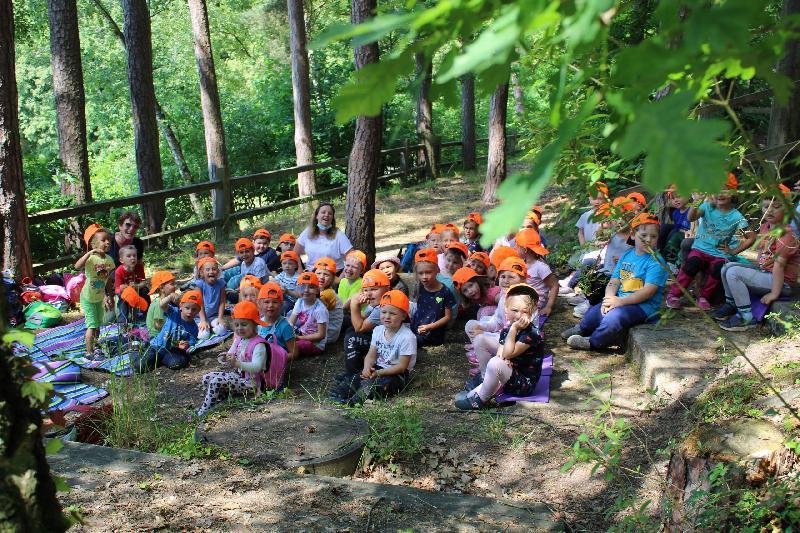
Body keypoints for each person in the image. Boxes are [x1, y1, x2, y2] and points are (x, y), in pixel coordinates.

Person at [561, 213, 669, 350]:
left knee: (614, 318)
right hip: (621, 301)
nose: (648, 239)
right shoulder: (627, 256)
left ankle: (593, 342)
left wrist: (620, 302)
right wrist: (609, 298)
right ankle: (582, 328)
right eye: (644, 235)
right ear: (634, 235)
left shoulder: (656, 262)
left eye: (653, 236)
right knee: (595, 311)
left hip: (644, 307)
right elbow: (614, 281)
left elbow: (648, 292)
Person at [714, 189, 800, 330]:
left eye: (776, 207)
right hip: (767, 274)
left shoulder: (786, 234)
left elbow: (779, 265)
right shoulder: (765, 227)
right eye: (767, 206)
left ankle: (746, 317)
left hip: (782, 283)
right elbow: (761, 254)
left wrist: (774, 293)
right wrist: (754, 270)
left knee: (734, 273)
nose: (770, 210)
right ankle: (731, 303)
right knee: (727, 267)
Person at [666, 174, 755, 310]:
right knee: (691, 264)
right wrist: (697, 202)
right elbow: (691, 218)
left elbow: (751, 237)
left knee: (718, 268)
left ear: (733, 192)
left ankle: (704, 297)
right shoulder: (707, 207)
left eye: (725, 190)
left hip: (719, 254)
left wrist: (733, 252)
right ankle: (674, 294)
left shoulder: (736, 216)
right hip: (700, 249)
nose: (720, 193)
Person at [455, 284, 544, 410]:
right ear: (506, 311)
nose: (519, 316)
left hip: (523, 384)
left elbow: (507, 354)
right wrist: (501, 360)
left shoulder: (531, 334)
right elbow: (501, 353)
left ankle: (481, 399)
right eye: (515, 310)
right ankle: (486, 382)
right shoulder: (507, 329)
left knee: (495, 363)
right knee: (488, 352)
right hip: (509, 376)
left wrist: (513, 329)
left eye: (525, 312)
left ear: (531, 314)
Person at [335, 290, 417, 405]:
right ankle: (341, 396)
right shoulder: (378, 330)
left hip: (396, 375)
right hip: (377, 368)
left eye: (393, 314)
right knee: (352, 382)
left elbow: (402, 367)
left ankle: (355, 402)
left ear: (403, 315)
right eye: (383, 312)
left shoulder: (407, 337)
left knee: (374, 386)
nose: (387, 317)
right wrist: (366, 368)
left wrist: (379, 373)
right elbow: (371, 354)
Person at [195, 301, 274, 416]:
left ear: (254, 324)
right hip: (237, 376)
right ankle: (220, 401)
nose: (239, 328)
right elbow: (231, 353)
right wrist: (226, 357)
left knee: (216, 382)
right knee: (206, 378)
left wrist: (237, 364)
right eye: (236, 325)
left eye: (244, 324)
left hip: (250, 383)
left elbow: (257, 367)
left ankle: (203, 412)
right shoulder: (239, 339)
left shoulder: (259, 345)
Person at [330, 269, 393, 400]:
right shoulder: (375, 303)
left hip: (389, 346)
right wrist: (357, 306)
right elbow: (362, 318)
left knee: (352, 338)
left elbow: (360, 327)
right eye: (365, 290)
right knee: (349, 331)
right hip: (380, 337)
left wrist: (354, 305)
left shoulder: (384, 307)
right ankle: (353, 372)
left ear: (387, 288)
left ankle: (352, 374)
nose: (369, 294)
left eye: (374, 289)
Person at [464, 256, 527, 386]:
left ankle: (487, 378)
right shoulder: (505, 297)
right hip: (502, 337)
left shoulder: (525, 300)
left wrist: (489, 335)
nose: (505, 280)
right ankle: (486, 366)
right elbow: (497, 321)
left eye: (511, 277)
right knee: (471, 325)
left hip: (515, 345)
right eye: (503, 276)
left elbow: (522, 334)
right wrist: (483, 328)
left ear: (522, 279)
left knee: (480, 339)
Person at [559, 182, 608, 295]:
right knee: (580, 263)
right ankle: (572, 281)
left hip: (600, 248)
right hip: (587, 247)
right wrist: (583, 246)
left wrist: (602, 243)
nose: (597, 201)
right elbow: (580, 232)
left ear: (606, 199)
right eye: (594, 198)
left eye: (600, 198)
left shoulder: (607, 216)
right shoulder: (585, 216)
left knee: (590, 265)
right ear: (589, 198)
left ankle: (576, 285)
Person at [134, 290, 201, 371]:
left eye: (194, 309)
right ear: (181, 306)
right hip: (157, 347)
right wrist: (170, 297)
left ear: (198, 311)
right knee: (139, 366)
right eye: (187, 308)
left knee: (177, 364)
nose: (190, 312)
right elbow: (162, 305)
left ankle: (162, 360)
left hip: (172, 351)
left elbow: (191, 342)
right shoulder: (174, 312)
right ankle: (143, 354)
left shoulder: (194, 327)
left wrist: (186, 345)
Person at [75, 224, 115, 358]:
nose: (107, 242)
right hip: (88, 298)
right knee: (92, 325)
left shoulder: (109, 260)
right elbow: (77, 266)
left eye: (108, 239)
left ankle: (96, 345)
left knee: (98, 324)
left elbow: (108, 280)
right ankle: (89, 352)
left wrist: (110, 296)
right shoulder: (91, 259)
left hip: (99, 297)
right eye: (103, 240)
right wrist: (89, 253)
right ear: (94, 245)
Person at [410, 248, 455, 346]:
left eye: (428, 272)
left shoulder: (445, 292)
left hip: (432, 333)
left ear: (437, 270)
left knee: (409, 342)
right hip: (416, 326)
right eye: (420, 273)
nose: (424, 276)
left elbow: (448, 317)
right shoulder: (419, 286)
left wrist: (430, 327)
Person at [295, 203, 354, 270]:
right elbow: (295, 253)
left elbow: (353, 258)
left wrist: (340, 278)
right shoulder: (307, 232)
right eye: (323, 212)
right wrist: (300, 272)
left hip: (333, 275)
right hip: (312, 275)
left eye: (330, 213)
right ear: (316, 216)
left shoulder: (339, 235)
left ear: (332, 218)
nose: (326, 215)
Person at [515, 228, 557, 319]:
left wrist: (548, 307)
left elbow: (554, 286)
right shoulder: (522, 263)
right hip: (525, 297)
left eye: (517, 246)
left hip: (535, 301)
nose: (515, 248)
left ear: (525, 250)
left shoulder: (541, 267)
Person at [287, 272, 329, 357]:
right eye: (302, 287)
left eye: (311, 287)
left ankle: (281, 356)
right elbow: (291, 322)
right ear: (298, 289)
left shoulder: (319, 309)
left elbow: (321, 335)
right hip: (302, 334)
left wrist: (299, 338)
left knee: (292, 345)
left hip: (315, 344)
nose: (306, 290)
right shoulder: (300, 301)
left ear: (317, 290)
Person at [257, 282, 297, 362]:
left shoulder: (285, 327)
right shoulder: (257, 323)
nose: (271, 305)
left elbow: (294, 353)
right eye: (267, 302)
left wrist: (276, 360)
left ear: (281, 305)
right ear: (259, 304)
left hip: (274, 364)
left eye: (275, 302)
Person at [194, 257, 229, 340]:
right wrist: (203, 320)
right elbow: (199, 304)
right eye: (207, 269)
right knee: (203, 336)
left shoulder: (221, 283)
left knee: (222, 331)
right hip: (200, 317)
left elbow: (222, 302)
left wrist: (220, 318)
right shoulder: (199, 284)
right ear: (202, 273)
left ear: (218, 272)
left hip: (214, 316)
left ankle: (211, 328)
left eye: (214, 269)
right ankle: (206, 328)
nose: (211, 272)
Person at [114, 244, 148, 323]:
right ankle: (123, 321)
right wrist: (121, 289)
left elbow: (144, 282)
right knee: (121, 299)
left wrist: (137, 286)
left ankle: (142, 317)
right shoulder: (119, 271)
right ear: (122, 260)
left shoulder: (139, 267)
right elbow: (116, 290)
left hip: (137, 291)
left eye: (134, 256)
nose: (132, 258)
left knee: (145, 291)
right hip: (125, 294)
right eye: (129, 256)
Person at [657, 190, 691, 268]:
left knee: (675, 237)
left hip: (688, 235)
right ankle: (664, 258)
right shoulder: (675, 213)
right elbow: (676, 227)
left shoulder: (691, 210)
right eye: (672, 198)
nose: (675, 200)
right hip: (678, 235)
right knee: (672, 235)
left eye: (679, 196)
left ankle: (672, 263)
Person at [314, 257, 344, 345]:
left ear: (332, 278)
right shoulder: (320, 291)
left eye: (326, 275)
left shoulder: (327, 294)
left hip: (327, 334)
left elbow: (313, 315)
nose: (321, 277)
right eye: (318, 273)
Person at [109, 211, 145, 281]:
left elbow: (139, 266)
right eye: (128, 225)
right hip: (109, 282)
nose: (131, 229)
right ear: (120, 225)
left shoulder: (138, 243)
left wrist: (141, 283)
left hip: (130, 280)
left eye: (135, 227)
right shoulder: (108, 242)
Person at [338, 250, 366, 330]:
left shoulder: (362, 284)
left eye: (354, 267)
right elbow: (340, 302)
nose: (349, 269)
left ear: (361, 271)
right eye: (347, 265)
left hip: (357, 316)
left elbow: (346, 307)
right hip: (344, 312)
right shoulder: (343, 281)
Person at [146, 271, 177, 338]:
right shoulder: (158, 304)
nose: (175, 286)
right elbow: (158, 325)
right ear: (162, 288)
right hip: (157, 337)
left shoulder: (166, 301)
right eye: (172, 284)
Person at [276, 250, 301, 315]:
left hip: (292, 301)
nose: (287, 266)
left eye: (290, 263)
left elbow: (299, 295)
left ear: (296, 265)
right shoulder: (282, 274)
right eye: (284, 263)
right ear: (281, 265)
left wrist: (288, 292)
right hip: (282, 297)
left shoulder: (298, 278)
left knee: (283, 306)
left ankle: (279, 318)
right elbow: (274, 281)